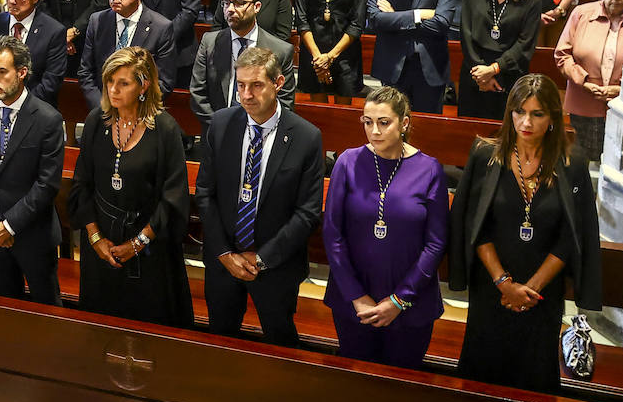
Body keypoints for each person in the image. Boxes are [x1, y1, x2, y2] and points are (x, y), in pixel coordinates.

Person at [450, 74, 602, 394]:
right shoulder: (486, 154)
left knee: (532, 378)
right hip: (491, 288)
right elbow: (476, 225)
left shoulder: (571, 163)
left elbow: (570, 235)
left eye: (537, 114)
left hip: (541, 294)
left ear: (553, 118)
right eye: (519, 112)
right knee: (482, 377)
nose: (526, 122)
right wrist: (505, 285)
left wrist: (529, 289)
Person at [195, 46, 323, 346]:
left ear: (278, 83)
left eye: (256, 85)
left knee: (280, 348)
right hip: (224, 262)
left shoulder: (306, 136)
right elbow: (205, 193)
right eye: (240, 85)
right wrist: (225, 254)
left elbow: (307, 212)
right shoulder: (221, 124)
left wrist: (262, 259)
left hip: (276, 267)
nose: (247, 95)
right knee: (221, 347)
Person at [323, 87, 449, 368]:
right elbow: (333, 233)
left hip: (410, 304)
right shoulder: (347, 162)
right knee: (357, 383)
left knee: (401, 390)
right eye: (368, 122)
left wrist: (399, 300)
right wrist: (357, 297)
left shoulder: (429, 169)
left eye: (384, 122)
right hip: (354, 301)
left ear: (404, 123)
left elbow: (436, 242)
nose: (374, 131)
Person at [69, 46, 192, 327]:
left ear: (143, 85)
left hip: (149, 249)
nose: (113, 90)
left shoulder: (165, 129)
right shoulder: (95, 122)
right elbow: (82, 184)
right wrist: (96, 238)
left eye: (123, 83)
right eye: (109, 81)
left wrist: (137, 244)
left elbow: (172, 198)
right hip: (101, 243)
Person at [0, 36, 65, 305]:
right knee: (6, 304)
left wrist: (8, 226)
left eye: (1, 72)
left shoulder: (47, 119)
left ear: (21, 72)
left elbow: (46, 185)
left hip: (32, 235)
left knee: (46, 305)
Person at [191, 0, 296, 128]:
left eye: (239, 3)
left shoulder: (280, 50)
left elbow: (285, 104)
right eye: (226, 3)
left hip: (262, 136)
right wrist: (222, 128)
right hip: (218, 134)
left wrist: (255, 129)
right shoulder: (209, 43)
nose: (231, 9)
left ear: (257, 6)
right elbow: (197, 94)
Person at [458, 0, 543, 120]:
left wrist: (494, 69)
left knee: (504, 134)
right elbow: (465, 34)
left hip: (508, 74)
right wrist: (481, 72)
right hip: (475, 72)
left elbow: (524, 44)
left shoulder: (531, 0)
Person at [555, 0, 623, 163]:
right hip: (583, 100)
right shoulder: (582, 13)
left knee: (616, 164)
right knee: (581, 163)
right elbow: (562, 54)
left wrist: (621, 89)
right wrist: (585, 81)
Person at [78, 0, 175, 110]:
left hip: (141, 112)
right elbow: (86, 72)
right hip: (103, 110)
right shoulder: (97, 21)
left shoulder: (160, 28)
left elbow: (164, 82)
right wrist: (103, 107)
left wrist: (132, 107)